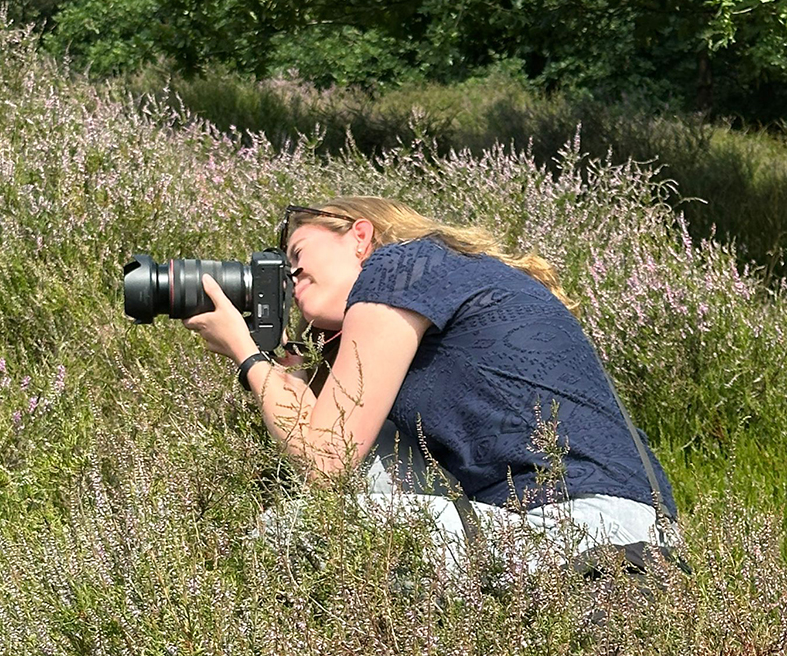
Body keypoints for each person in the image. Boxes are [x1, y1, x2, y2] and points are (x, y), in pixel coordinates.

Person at [182, 196, 678, 572]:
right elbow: (335, 441)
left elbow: (324, 459)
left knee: (287, 531)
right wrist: (286, 365)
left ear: (360, 236)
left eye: (296, 253)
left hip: (593, 529)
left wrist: (245, 353)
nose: (288, 275)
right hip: (625, 528)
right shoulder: (442, 282)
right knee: (365, 455)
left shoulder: (399, 266)